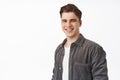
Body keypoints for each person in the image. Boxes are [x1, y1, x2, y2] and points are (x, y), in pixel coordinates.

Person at [51, 3, 108, 80]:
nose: (68, 25)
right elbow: (55, 77)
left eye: (72, 20)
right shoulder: (59, 50)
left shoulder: (94, 49)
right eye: (64, 21)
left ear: (80, 23)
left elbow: (101, 78)